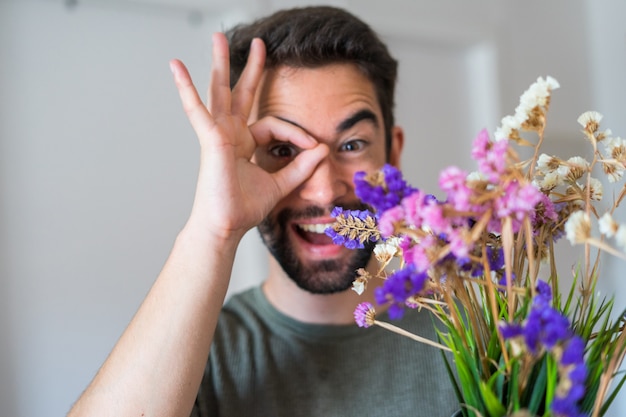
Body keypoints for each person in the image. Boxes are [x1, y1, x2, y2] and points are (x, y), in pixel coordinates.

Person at [68, 6, 458, 417]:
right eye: (282, 150)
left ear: (392, 153)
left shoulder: (477, 335)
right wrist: (213, 231)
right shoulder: (197, 357)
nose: (323, 190)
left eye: (351, 145)